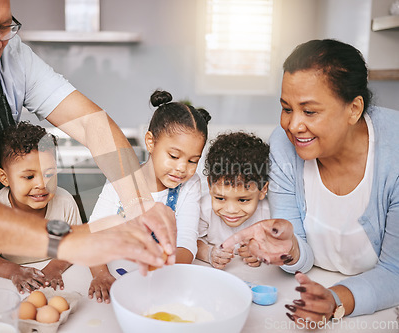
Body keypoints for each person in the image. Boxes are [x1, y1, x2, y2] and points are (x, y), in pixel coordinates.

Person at [0, 0, 177, 273]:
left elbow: (92, 125)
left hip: (0, 256)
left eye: (3, 27)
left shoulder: (12, 59)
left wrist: (140, 205)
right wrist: (67, 239)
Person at [222, 39, 399, 324]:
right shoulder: (283, 146)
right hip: (305, 292)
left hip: (380, 315)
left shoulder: (395, 153)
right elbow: (300, 252)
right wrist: (288, 249)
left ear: (354, 109)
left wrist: (334, 299)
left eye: (310, 111)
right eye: (286, 108)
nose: (293, 126)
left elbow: (395, 271)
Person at [87, 89, 211, 303]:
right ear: (151, 142)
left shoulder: (189, 185)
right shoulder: (122, 177)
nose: (182, 168)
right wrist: (100, 274)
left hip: (162, 278)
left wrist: (160, 274)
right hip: (116, 273)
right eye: (173, 156)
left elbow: (186, 243)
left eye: (193, 161)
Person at [0, 122, 82, 294]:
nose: (42, 184)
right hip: (5, 290)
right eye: (29, 176)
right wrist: (14, 272)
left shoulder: (65, 203)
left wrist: (55, 268)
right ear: (4, 178)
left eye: (49, 174)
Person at [196, 132, 270, 269]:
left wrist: (262, 252)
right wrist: (209, 253)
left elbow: (280, 245)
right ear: (210, 186)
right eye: (220, 198)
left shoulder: (268, 214)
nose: (231, 210)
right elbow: (190, 240)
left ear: (263, 190)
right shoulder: (203, 209)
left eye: (242, 200)